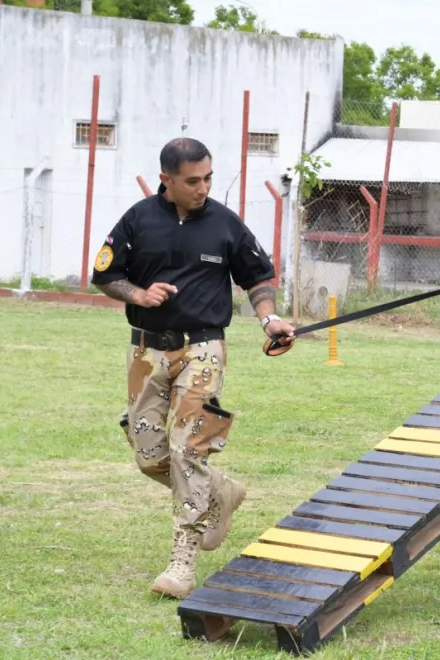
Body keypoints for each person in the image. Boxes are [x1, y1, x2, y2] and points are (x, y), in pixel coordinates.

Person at [91, 137, 295, 600]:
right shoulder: (138, 219)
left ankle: (182, 563)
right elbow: (105, 275)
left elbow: (257, 278)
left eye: (207, 178)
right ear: (166, 179)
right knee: (149, 455)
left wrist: (269, 319)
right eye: (192, 181)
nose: (202, 188)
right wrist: (139, 294)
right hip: (146, 353)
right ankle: (219, 489)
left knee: (187, 451)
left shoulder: (225, 223)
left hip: (203, 349)